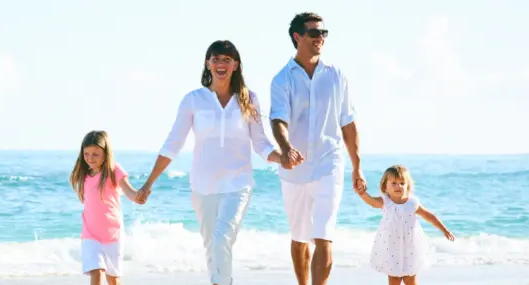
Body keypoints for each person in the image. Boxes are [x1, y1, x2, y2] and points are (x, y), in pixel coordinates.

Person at [139, 40, 284, 285]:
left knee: (221, 239)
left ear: (235, 65)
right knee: (211, 248)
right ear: (208, 64)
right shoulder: (193, 100)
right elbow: (173, 144)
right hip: (203, 187)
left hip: (238, 185)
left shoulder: (249, 99)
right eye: (216, 59)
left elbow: (261, 144)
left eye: (227, 60)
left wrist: (283, 158)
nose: (221, 64)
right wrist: (148, 183)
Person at [268, 12, 365, 285]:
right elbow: (278, 120)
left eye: (323, 33)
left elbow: (348, 123)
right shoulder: (282, 79)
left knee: (324, 235)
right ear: (297, 37)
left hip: (328, 164)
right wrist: (286, 148)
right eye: (314, 33)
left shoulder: (336, 76)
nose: (320, 38)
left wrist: (357, 166)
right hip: (294, 170)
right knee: (300, 238)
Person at [69, 130, 148, 285]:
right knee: (96, 271)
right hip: (90, 234)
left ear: (105, 154)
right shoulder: (85, 174)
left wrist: (138, 197)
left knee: (113, 279)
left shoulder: (114, 171)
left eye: (95, 154)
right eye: (86, 154)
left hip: (112, 234)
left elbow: (129, 192)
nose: (90, 158)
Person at [354, 165, 455, 285]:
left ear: (408, 186)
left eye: (402, 183)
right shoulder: (385, 202)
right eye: (394, 183)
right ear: (385, 186)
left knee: (410, 279)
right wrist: (362, 193)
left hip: (410, 246)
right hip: (391, 247)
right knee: (394, 279)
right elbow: (371, 201)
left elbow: (429, 216)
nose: (398, 186)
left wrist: (444, 230)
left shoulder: (412, 203)